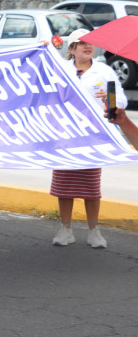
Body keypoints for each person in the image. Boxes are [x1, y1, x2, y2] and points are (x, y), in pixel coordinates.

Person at [50, 28, 127, 248]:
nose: (87, 46)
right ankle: (65, 229)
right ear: (72, 49)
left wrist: (109, 99)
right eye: (82, 43)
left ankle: (94, 231)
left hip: (93, 138)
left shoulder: (104, 71)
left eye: (90, 42)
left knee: (91, 188)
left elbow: (120, 101)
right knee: (64, 186)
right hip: (64, 136)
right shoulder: (61, 70)